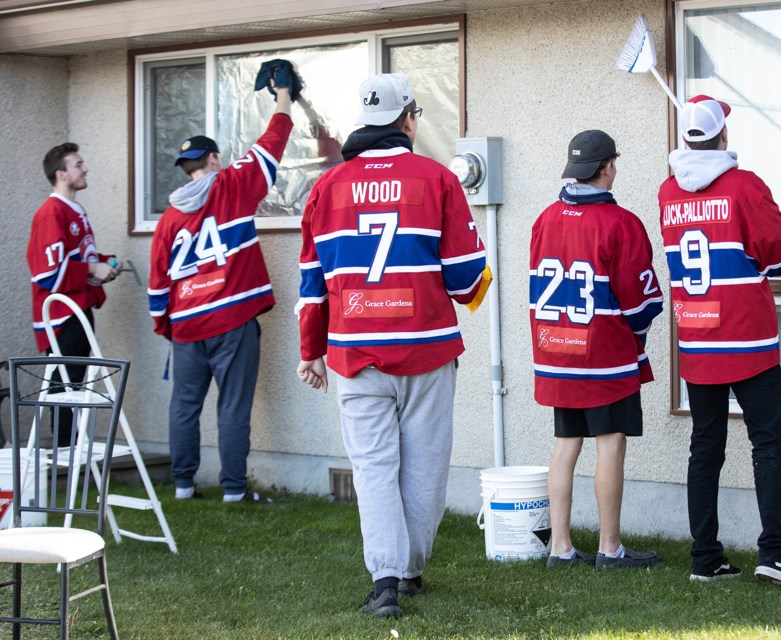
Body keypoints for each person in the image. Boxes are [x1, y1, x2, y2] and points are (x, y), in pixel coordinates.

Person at [296, 73, 490, 618]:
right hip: (426, 349)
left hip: (354, 352)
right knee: (424, 465)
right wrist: (476, 289)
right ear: (408, 119)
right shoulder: (437, 179)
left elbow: (312, 280)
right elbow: (467, 280)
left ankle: (384, 579)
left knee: (373, 468)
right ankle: (409, 573)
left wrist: (310, 350)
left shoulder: (326, 187)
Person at [658, 95, 781, 590]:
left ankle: (704, 556)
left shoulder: (668, 191)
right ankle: (775, 552)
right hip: (748, 341)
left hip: (697, 339)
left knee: (705, 448)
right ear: (723, 137)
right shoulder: (745, 186)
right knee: (767, 446)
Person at [148, 60, 301, 504]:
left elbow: (158, 282)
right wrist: (284, 96)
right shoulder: (232, 184)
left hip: (186, 327)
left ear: (185, 167)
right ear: (213, 159)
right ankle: (234, 490)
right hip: (232, 320)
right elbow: (272, 144)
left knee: (184, 406)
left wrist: (167, 326)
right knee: (233, 406)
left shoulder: (169, 216)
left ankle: (182, 486)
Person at [530, 130, 664, 570]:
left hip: (558, 352)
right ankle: (610, 548)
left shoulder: (544, 219)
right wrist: (638, 334)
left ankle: (560, 548)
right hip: (605, 356)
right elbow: (641, 302)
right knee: (610, 443)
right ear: (606, 167)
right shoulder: (621, 223)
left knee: (566, 444)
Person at [27, 142, 120, 446]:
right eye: (78, 164)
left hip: (78, 309)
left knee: (76, 384)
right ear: (61, 174)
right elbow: (47, 273)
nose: (85, 168)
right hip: (61, 316)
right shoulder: (51, 213)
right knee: (64, 387)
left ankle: (72, 453)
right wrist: (94, 270)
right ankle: (63, 455)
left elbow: (79, 258)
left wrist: (103, 264)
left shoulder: (74, 210)